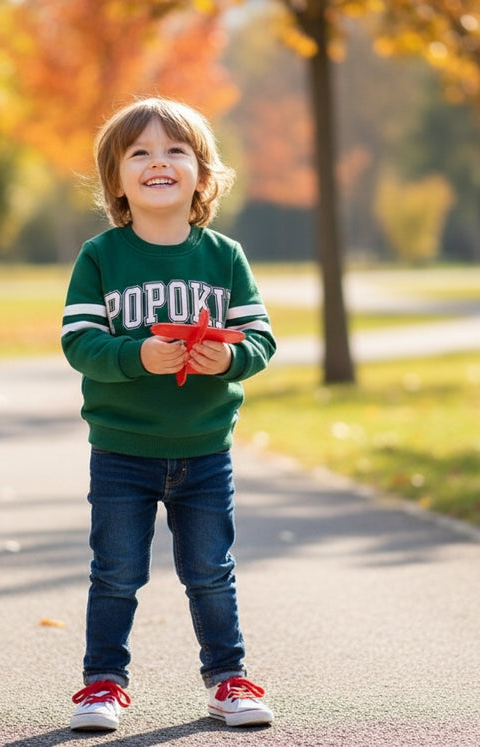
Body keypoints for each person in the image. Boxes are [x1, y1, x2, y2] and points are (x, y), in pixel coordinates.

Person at [60, 97, 277, 731]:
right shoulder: (100, 257)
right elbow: (80, 343)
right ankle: (102, 684)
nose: (159, 162)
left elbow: (260, 339)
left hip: (206, 448)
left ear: (203, 174)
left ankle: (228, 678)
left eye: (175, 150)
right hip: (122, 449)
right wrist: (139, 356)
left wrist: (227, 362)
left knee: (211, 570)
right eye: (140, 153)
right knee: (117, 570)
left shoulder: (225, 257)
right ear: (117, 180)